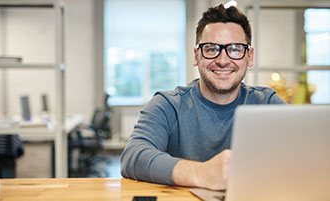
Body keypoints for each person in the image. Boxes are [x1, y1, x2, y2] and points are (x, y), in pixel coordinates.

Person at [120, 4, 286, 190]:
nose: (223, 61)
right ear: (196, 56)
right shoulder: (167, 105)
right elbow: (133, 156)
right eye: (211, 49)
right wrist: (201, 173)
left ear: (250, 57)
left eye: (235, 49)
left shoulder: (268, 104)